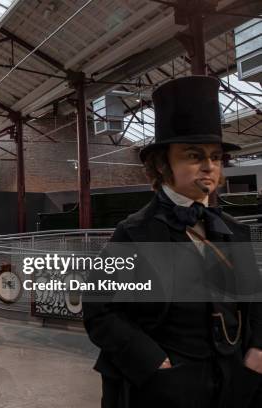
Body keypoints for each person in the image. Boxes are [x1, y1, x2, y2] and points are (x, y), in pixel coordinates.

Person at [82, 76, 262, 408]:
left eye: (216, 156)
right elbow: (99, 309)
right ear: (164, 164)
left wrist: (258, 351)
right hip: (163, 390)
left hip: (234, 386)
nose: (209, 166)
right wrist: (153, 362)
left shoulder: (234, 231)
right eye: (194, 156)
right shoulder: (134, 232)